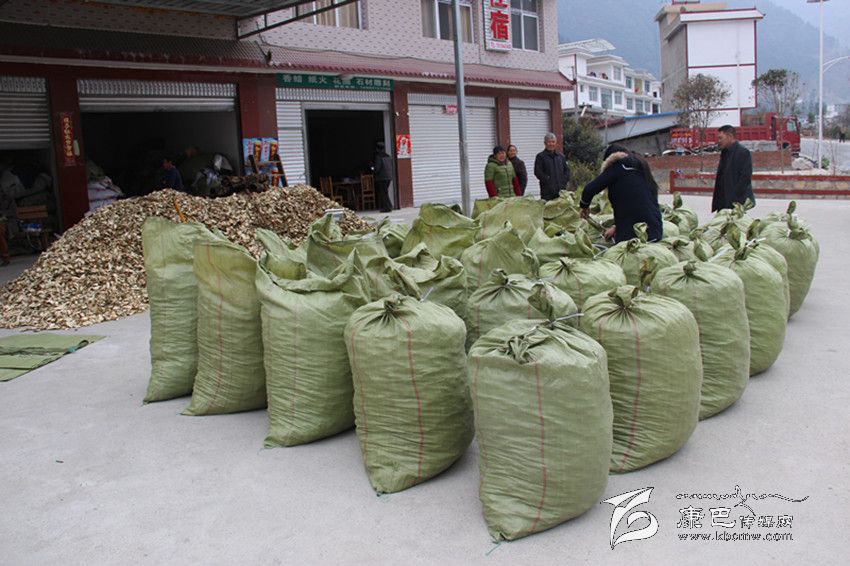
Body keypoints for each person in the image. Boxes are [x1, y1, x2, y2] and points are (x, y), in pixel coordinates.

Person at [579, 144, 663, 243]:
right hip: (655, 230)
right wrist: (616, 227)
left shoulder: (617, 168)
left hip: (635, 235)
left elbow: (589, 189)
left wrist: (584, 207)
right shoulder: (642, 170)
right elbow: (637, 205)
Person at [712, 125, 754, 212]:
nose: (718, 141)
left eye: (720, 138)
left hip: (736, 203)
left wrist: (735, 201)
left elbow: (745, 178)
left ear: (730, 136)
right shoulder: (725, 152)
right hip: (723, 202)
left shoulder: (743, 152)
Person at [534, 132, 571, 200]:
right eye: (549, 142)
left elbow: (567, 170)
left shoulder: (561, 156)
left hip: (561, 191)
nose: (551, 144)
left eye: (553, 142)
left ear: (556, 143)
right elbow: (538, 172)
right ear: (545, 143)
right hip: (547, 192)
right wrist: (547, 180)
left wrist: (564, 181)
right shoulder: (540, 157)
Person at [372, 141, 393, 213]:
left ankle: (387, 207)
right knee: (385, 192)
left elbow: (377, 168)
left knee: (383, 193)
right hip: (389, 177)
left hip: (382, 177)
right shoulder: (388, 156)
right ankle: (389, 206)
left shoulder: (378, 157)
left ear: (377, 149)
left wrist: (373, 169)